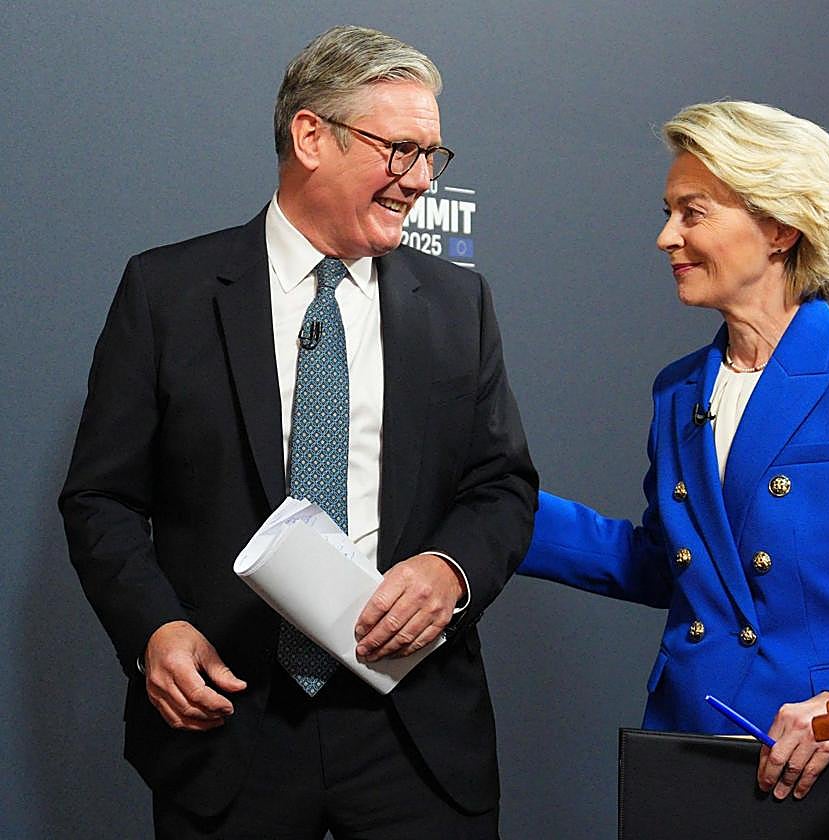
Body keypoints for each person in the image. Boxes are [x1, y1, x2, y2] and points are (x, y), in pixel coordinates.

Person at [59, 25, 536, 839]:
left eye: (433, 157)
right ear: (311, 135)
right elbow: (100, 499)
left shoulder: (460, 306)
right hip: (228, 726)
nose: (419, 179)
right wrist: (155, 631)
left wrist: (450, 570)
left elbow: (502, 487)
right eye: (400, 150)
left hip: (415, 736)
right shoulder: (166, 293)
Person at [519, 100, 829, 838]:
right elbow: (671, 564)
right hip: (695, 760)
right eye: (669, 212)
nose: (666, 236)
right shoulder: (679, 390)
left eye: (692, 212)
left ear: (778, 227)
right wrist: (504, 509)